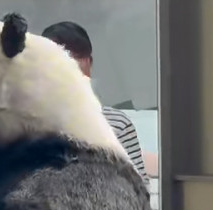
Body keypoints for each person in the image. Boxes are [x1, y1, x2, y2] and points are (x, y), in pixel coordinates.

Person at [41, 21, 149, 185]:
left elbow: (140, 190)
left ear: (89, 65)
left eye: (77, 64)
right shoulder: (22, 125)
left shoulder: (118, 124)